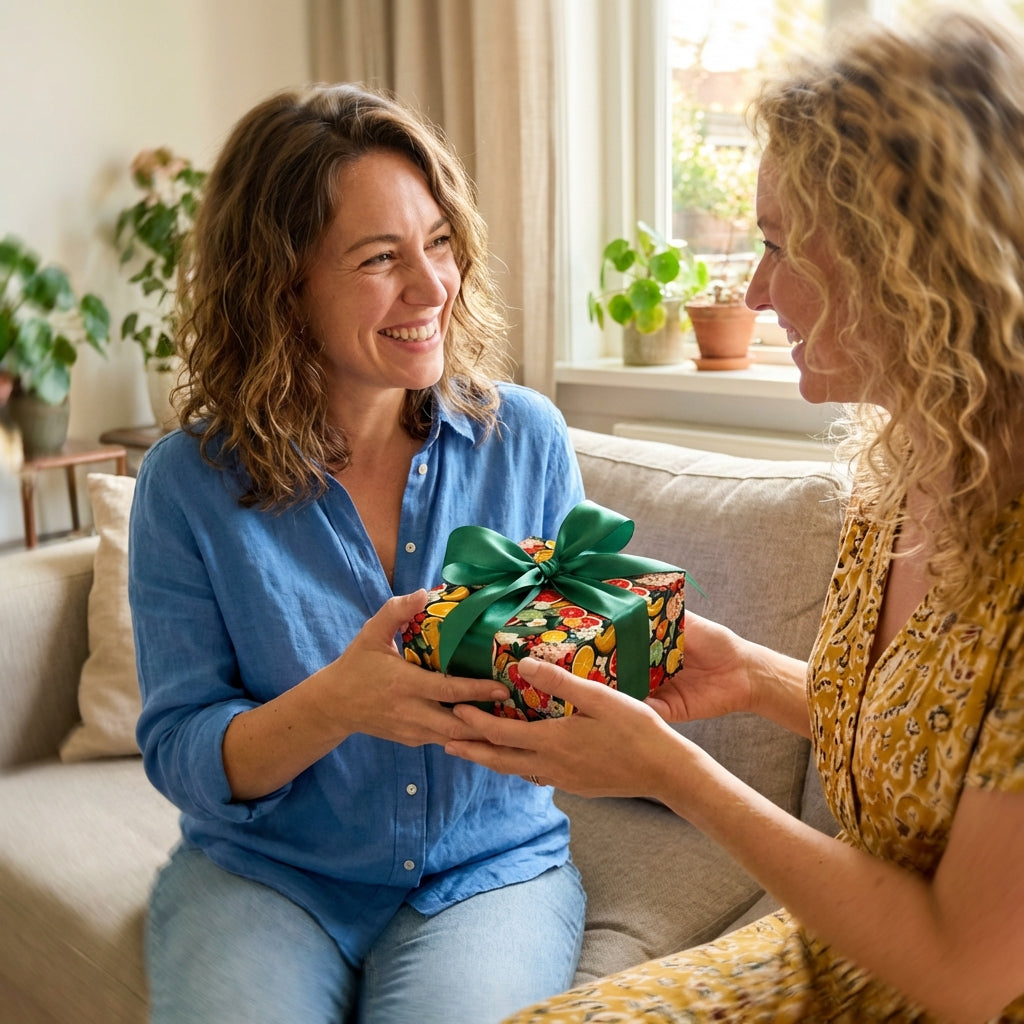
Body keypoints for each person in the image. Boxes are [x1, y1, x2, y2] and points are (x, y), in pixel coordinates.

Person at [445, 11, 1024, 1022]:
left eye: (778, 244)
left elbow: (965, 971)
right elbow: (927, 738)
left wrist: (672, 772)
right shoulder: (902, 473)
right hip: (853, 954)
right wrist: (749, 677)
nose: (753, 291)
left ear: (907, 261)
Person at [128, 83, 586, 1024]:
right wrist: (339, 701)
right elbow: (182, 750)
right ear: (280, 284)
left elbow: (574, 682)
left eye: (440, 243)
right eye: (381, 259)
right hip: (266, 878)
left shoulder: (526, 440)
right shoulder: (186, 484)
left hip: (486, 870)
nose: (431, 288)